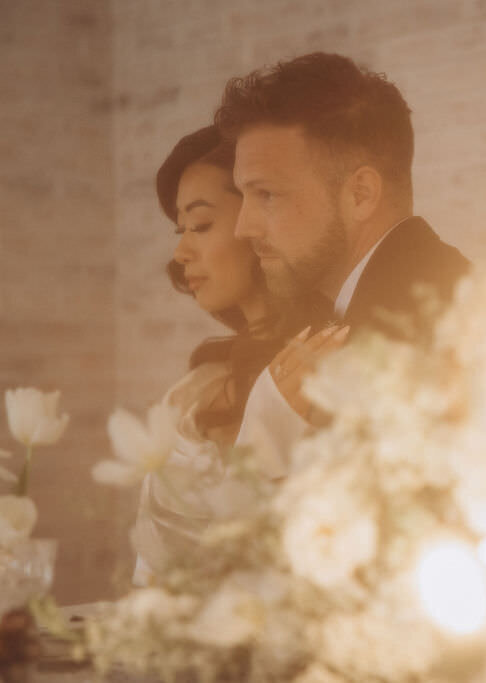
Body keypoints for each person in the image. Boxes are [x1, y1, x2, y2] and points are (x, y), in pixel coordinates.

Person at [212, 52, 470, 462]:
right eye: (244, 196)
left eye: (267, 195)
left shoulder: (416, 338)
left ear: (360, 194)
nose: (244, 227)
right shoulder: (406, 299)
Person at [131, 125, 330, 584]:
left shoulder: (322, 365)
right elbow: (153, 573)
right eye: (181, 229)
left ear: (260, 219)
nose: (181, 251)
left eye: (201, 225)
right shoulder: (197, 390)